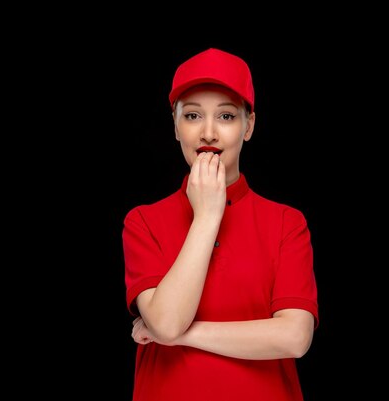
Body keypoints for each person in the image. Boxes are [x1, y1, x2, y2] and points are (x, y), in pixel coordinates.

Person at [122, 47, 318, 401]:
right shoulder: (143, 221)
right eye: (193, 115)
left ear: (249, 126)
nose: (208, 133)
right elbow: (165, 322)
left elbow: (295, 338)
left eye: (226, 117)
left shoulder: (288, 223)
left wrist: (181, 336)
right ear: (175, 126)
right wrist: (207, 216)